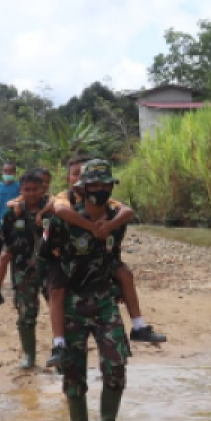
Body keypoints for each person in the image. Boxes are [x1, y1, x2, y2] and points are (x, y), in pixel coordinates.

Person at [40, 159, 131, 421]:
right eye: (95, 185)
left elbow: (112, 254)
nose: (101, 190)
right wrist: (56, 287)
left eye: (106, 185)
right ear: (82, 188)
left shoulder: (117, 218)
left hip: (104, 300)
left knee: (116, 364)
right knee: (73, 372)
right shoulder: (63, 220)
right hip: (72, 303)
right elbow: (46, 254)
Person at [44, 156, 166, 370]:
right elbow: (60, 213)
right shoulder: (64, 198)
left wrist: (108, 226)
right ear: (75, 180)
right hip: (61, 255)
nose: (98, 188)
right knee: (57, 289)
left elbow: (127, 211)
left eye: (104, 183)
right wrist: (92, 227)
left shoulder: (108, 205)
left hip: (99, 256)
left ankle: (139, 325)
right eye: (77, 175)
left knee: (125, 274)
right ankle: (59, 343)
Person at [0, 170, 50, 368]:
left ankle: (61, 352)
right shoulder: (13, 213)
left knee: (59, 311)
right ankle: (29, 355)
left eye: (35, 189)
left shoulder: (52, 209)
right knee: (26, 313)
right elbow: (5, 238)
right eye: (27, 189)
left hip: (50, 269)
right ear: (21, 190)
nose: (31, 193)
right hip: (23, 270)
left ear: (42, 189)